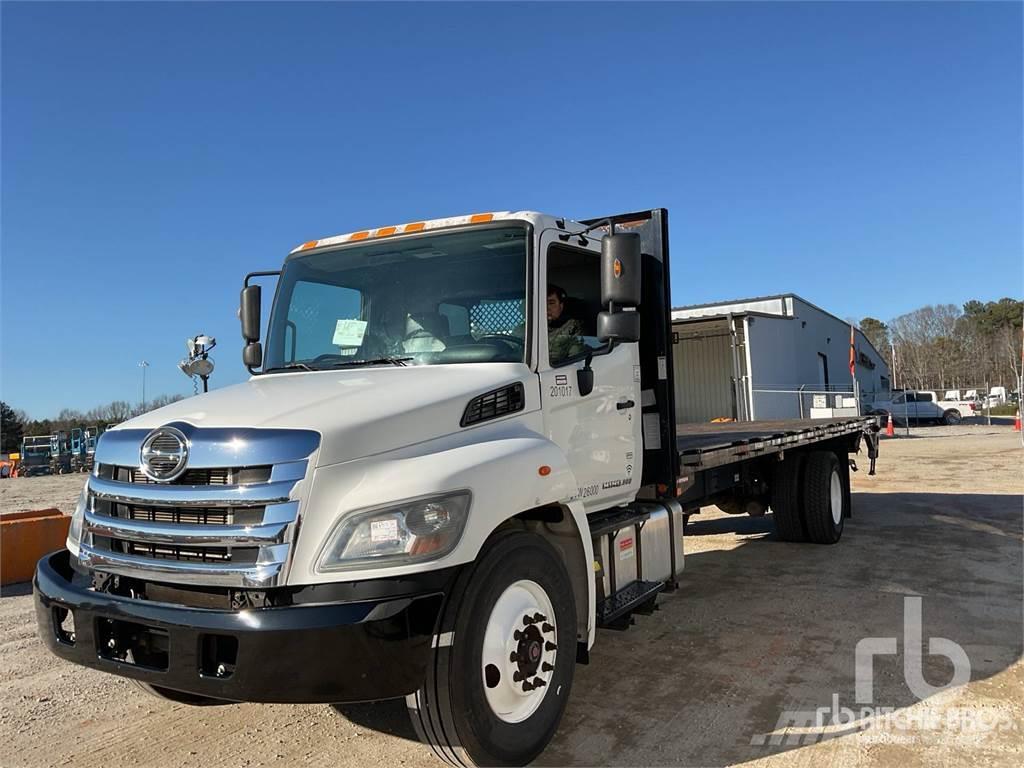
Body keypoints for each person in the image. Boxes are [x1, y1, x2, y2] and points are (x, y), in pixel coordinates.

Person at [547, 284, 585, 363]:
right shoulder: (525, 329)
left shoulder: (573, 328)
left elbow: (575, 360)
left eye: (551, 303)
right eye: (542, 304)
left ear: (561, 306)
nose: (547, 308)